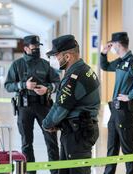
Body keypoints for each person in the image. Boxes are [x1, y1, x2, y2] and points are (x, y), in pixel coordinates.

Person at [42, 35, 100, 174]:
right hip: (75, 129)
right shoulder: (83, 70)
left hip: (78, 134)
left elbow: (61, 106)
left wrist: (47, 123)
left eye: (57, 56)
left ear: (67, 56)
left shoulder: (75, 76)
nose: (55, 60)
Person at [4, 35, 60, 174]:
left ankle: (56, 171)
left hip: (44, 106)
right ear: (26, 48)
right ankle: (30, 172)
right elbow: (8, 86)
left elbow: (57, 83)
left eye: (38, 47)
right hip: (24, 107)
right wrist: (24, 85)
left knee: (51, 141)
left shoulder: (45, 64)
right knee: (26, 143)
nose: (36, 50)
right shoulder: (17, 65)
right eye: (34, 47)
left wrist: (48, 88)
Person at [101, 32, 133, 174]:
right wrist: (103, 53)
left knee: (127, 148)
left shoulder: (131, 61)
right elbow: (106, 66)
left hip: (125, 110)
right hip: (115, 110)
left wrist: (130, 96)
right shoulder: (120, 61)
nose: (111, 46)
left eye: (112, 44)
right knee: (111, 147)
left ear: (118, 44)